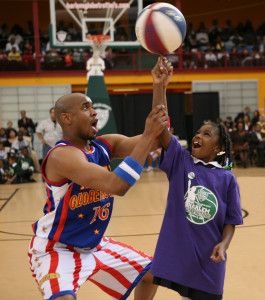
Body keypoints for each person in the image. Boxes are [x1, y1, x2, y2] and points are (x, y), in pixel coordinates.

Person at [28, 91, 168, 300]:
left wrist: (160, 87)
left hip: (94, 244)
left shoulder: (103, 145)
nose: (94, 112)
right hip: (57, 248)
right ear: (66, 118)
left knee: (152, 273)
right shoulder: (62, 156)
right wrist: (148, 137)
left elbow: (158, 137)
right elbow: (117, 184)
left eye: (93, 107)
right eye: (86, 108)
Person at [150, 57, 243, 300]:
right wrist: (160, 86)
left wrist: (223, 245)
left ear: (219, 147)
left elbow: (231, 221)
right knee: (146, 277)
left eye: (207, 133)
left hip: (210, 261)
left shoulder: (227, 179)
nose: (198, 135)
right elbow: (161, 127)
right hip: (181, 257)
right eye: (198, 131)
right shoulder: (181, 161)